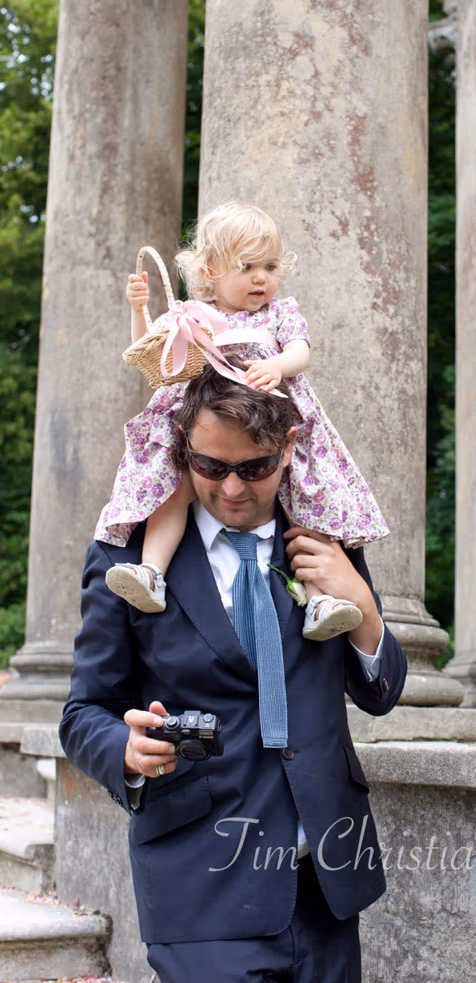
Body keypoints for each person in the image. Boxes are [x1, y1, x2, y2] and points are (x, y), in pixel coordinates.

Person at [59, 363, 408, 983]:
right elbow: (84, 713)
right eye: (210, 467)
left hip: (325, 881)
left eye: (255, 468)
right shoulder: (125, 556)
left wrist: (360, 602)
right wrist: (128, 748)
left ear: (290, 447)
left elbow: (381, 692)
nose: (232, 490)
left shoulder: (329, 540)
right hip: (201, 882)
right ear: (181, 447)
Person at [97, 201, 389, 641]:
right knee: (173, 490)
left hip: (273, 415)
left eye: (270, 266)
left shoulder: (280, 312)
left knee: (307, 502)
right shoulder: (195, 314)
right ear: (210, 270)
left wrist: (280, 366)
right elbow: (155, 354)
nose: (261, 278)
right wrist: (139, 310)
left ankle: (322, 597)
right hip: (206, 415)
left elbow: (300, 351)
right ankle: (152, 572)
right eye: (247, 265)